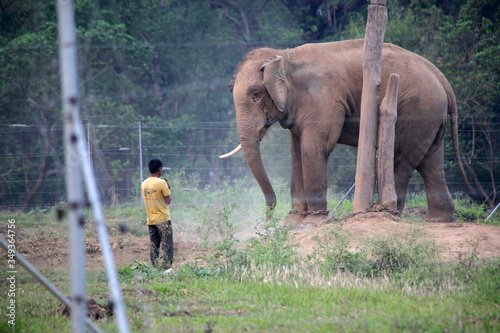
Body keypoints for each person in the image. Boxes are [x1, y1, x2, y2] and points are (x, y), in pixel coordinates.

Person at [141, 158, 173, 269]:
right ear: (159, 169)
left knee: (154, 246)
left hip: (151, 220)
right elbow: (168, 200)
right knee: (167, 245)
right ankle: (166, 268)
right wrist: (168, 187)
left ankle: (154, 268)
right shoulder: (162, 183)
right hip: (163, 219)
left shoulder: (144, 184)